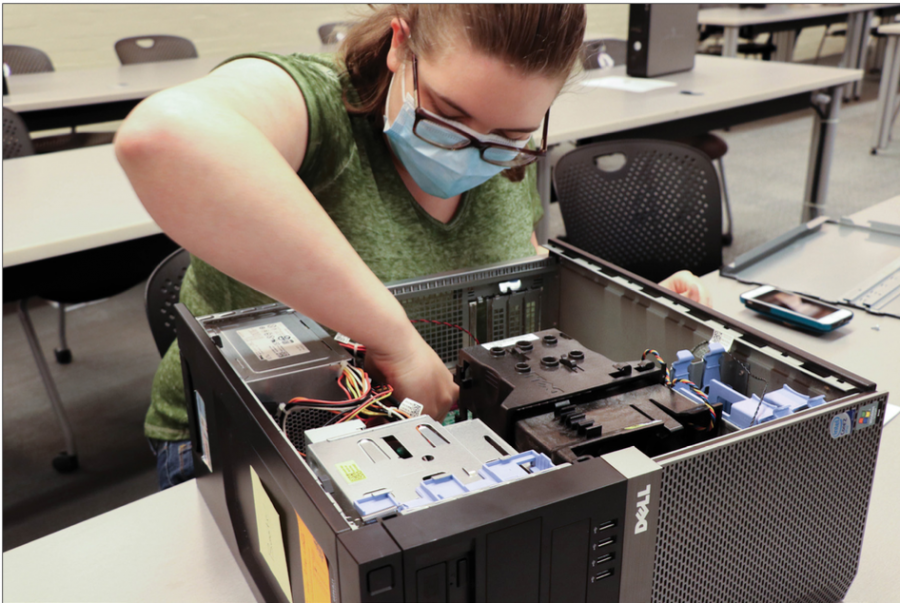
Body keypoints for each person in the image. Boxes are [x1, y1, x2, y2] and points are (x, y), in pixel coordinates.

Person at [115, 4, 709, 490]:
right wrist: (395, 340)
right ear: (401, 44)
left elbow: (522, 283)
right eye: (448, 116)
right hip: (245, 441)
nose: (474, 154)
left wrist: (628, 323)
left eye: (508, 137)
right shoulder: (321, 112)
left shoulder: (510, 162)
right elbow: (164, 138)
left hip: (442, 431)